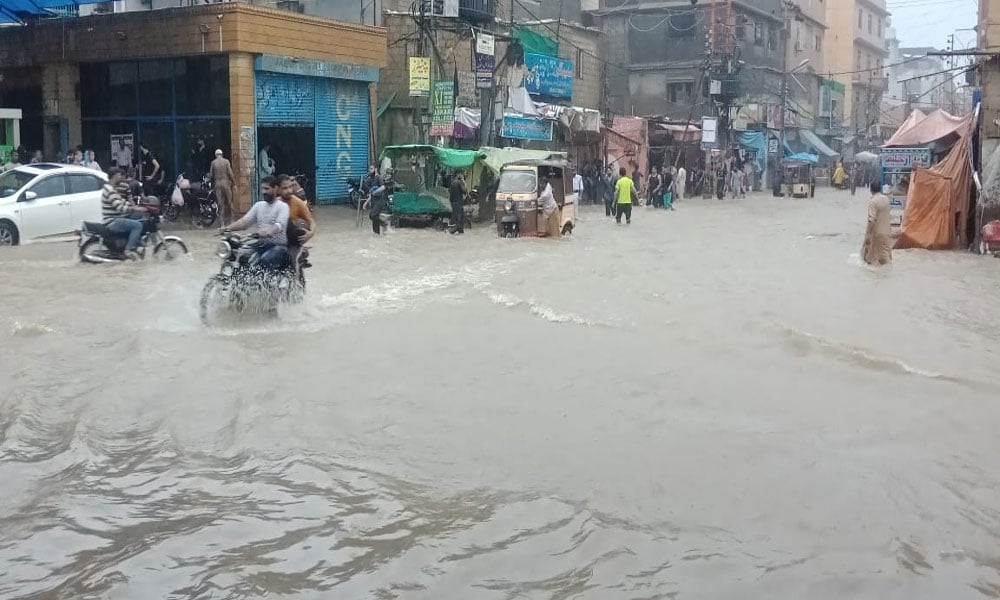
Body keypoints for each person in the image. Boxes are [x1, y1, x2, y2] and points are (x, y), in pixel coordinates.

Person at [223, 180, 290, 270]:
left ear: (276, 189)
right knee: (239, 254)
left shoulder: (283, 206)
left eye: (267, 189)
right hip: (260, 244)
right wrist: (227, 228)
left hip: (278, 245)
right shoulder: (259, 205)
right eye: (262, 189)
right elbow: (244, 222)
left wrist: (269, 231)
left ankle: (265, 283)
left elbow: (280, 225)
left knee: (265, 260)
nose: (263, 192)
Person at [101, 167, 149, 260]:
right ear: (114, 176)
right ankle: (128, 250)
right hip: (113, 221)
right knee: (138, 225)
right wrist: (134, 209)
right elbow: (120, 207)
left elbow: (122, 201)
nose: (121, 177)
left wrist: (135, 207)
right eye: (119, 175)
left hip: (113, 220)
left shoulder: (111, 188)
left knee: (134, 221)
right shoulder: (110, 190)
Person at [273, 174, 314, 268]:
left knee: (292, 261)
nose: (289, 191)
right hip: (277, 239)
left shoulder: (297, 203)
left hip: (292, 239)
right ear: (278, 189)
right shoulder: (274, 203)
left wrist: (310, 233)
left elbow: (311, 221)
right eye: (285, 188)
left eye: (290, 187)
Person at [861, 181, 892, 266]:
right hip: (887, 232)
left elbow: (872, 219)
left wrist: (868, 234)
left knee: (868, 258)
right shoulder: (886, 199)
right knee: (885, 258)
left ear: (871, 190)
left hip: (876, 234)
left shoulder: (873, 201)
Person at [210, 148, 236, 226]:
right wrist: (234, 183)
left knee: (220, 204)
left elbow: (211, 175)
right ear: (222, 154)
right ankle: (232, 221)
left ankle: (222, 223)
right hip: (226, 183)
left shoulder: (213, 162)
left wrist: (212, 183)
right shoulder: (226, 161)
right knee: (229, 202)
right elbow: (230, 173)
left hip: (217, 184)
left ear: (215, 155)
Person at [364, 170, 390, 235]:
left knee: (372, 215)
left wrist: (376, 192)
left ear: (375, 169)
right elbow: (371, 193)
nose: (370, 170)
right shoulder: (370, 180)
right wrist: (366, 203)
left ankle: (384, 224)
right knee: (374, 219)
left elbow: (383, 187)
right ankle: (376, 234)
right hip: (373, 201)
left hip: (379, 201)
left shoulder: (378, 177)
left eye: (371, 168)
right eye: (369, 169)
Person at [449, 170, 467, 234]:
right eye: (462, 174)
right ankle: (457, 228)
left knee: (455, 214)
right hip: (458, 201)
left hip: (453, 201)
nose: (463, 175)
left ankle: (458, 229)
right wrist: (464, 184)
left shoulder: (453, 182)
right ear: (459, 174)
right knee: (460, 216)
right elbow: (464, 191)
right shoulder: (460, 182)